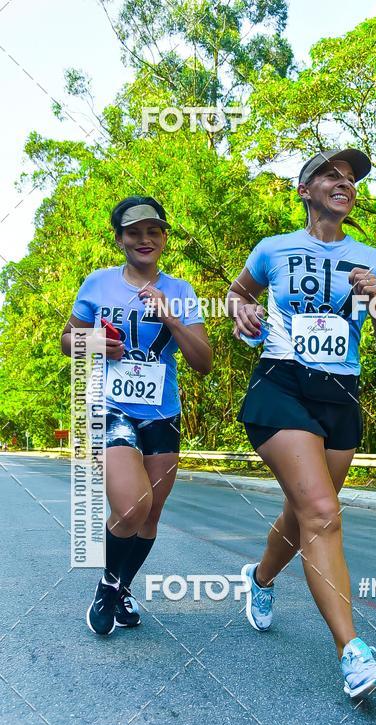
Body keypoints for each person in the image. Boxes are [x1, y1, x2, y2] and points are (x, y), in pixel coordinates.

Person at [227, 148, 376, 699]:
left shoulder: (372, 258)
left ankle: (259, 579)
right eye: (331, 174)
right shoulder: (273, 249)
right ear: (305, 190)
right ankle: (352, 653)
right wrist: (242, 311)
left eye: (350, 179)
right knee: (323, 512)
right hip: (280, 384)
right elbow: (238, 294)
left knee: (302, 512)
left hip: (339, 394)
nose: (343, 182)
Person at [61, 196, 212, 635]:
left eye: (153, 231)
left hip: (162, 414)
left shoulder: (181, 291)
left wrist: (171, 316)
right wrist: (92, 343)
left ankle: (122, 586)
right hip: (111, 408)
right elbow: (67, 341)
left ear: (164, 237)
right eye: (134, 232)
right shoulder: (98, 283)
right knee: (131, 507)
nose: (144, 240)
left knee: (150, 517)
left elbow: (203, 361)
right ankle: (108, 586)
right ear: (119, 238)